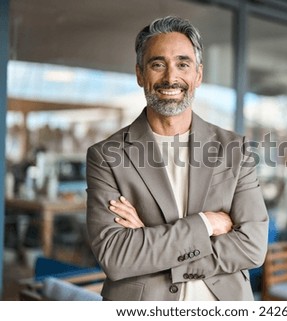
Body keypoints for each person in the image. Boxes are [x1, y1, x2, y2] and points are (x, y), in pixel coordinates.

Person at [85, 16, 269, 301]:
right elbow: (116, 256)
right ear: (139, 74)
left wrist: (150, 241)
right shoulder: (106, 156)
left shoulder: (235, 148)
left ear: (198, 75)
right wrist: (206, 224)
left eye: (183, 64)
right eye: (158, 64)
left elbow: (252, 247)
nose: (171, 78)